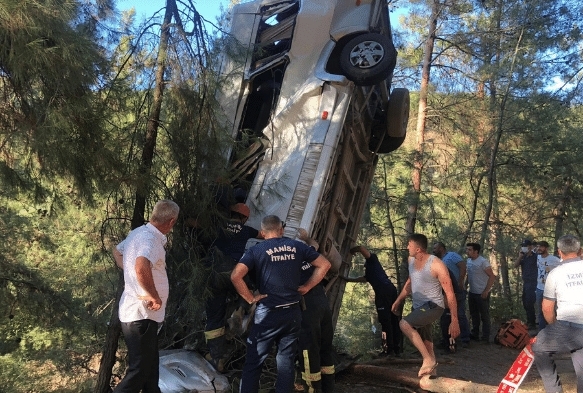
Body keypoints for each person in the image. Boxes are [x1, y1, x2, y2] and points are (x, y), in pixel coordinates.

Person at [231, 215, 331, 393]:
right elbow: (324, 264)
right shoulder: (297, 246)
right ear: (281, 230)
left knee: (254, 362)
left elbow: (236, 276)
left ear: (262, 232)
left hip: (268, 315)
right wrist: (307, 287)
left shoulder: (256, 250)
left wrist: (250, 298)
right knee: (286, 363)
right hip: (292, 314)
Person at [112, 199, 180, 393]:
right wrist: (154, 296)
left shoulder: (138, 233)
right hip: (140, 314)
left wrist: (129, 271)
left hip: (141, 315)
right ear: (172, 221)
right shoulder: (150, 239)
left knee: (150, 371)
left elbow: (117, 252)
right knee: (139, 371)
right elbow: (141, 267)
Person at [391, 234, 460, 377]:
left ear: (418, 249)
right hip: (419, 307)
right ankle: (431, 375)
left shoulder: (437, 265)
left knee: (404, 324)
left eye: (409, 244)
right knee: (427, 343)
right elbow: (410, 282)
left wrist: (454, 320)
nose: (407, 247)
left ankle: (427, 360)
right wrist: (398, 300)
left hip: (434, 306)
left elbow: (450, 293)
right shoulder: (411, 260)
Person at [204, 202, 262, 372]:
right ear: (244, 218)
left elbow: (199, 227)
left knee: (214, 317)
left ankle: (216, 358)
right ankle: (241, 309)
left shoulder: (218, 225)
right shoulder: (247, 230)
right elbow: (264, 236)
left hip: (214, 273)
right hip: (234, 272)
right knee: (247, 290)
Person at [532, 234, 583, 393]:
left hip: (568, 325)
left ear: (559, 252)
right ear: (580, 250)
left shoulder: (555, 274)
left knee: (539, 347)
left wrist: (555, 327)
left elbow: (547, 308)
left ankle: (554, 390)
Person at [296, 229, 335, 393]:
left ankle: (313, 389)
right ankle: (328, 388)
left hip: (307, 307)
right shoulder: (307, 253)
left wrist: (306, 287)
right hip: (322, 303)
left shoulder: (285, 262)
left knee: (308, 352)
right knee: (325, 347)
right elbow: (315, 244)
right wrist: (306, 237)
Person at [344, 245, 402, 357]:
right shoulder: (371, 272)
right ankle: (396, 349)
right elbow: (364, 279)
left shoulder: (373, 259)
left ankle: (389, 350)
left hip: (383, 292)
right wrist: (348, 279)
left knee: (386, 320)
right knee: (393, 319)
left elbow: (361, 248)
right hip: (390, 290)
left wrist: (351, 250)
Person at [432, 242, 471, 348]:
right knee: (446, 316)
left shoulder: (452, 255)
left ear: (441, 248)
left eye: (435, 248)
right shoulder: (438, 261)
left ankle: (465, 339)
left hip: (457, 290)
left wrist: (460, 280)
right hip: (445, 293)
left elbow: (463, 266)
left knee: (460, 314)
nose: (433, 250)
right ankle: (449, 339)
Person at [466, 242, 496, 343]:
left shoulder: (483, 262)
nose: (467, 252)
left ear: (476, 251)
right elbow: (469, 275)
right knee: (474, 314)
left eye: (470, 250)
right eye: (467, 249)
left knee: (484, 315)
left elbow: (492, 276)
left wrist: (486, 290)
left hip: (482, 292)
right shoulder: (469, 261)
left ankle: (485, 337)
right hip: (472, 292)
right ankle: (475, 334)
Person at [535, 240, 561, 331]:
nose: (539, 248)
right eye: (538, 246)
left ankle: (555, 331)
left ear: (546, 248)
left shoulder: (554, 259)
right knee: (541, 311)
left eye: (541, 246)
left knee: (553, 311)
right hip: (539, 288)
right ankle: (542, 332)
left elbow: (564, 266)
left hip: (551, 289)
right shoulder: (538, 257)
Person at [514, 239, 538, 330]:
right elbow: (515, 265)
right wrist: (520, 257)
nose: (524, 248)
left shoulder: (535, 257)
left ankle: (532, 322)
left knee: (529, 302)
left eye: (526, 246)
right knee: (525, 301)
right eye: (523, 246)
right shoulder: (523, 257)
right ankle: (529, 320)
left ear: (530, 247)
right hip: (526, 282)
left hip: (533, 282)